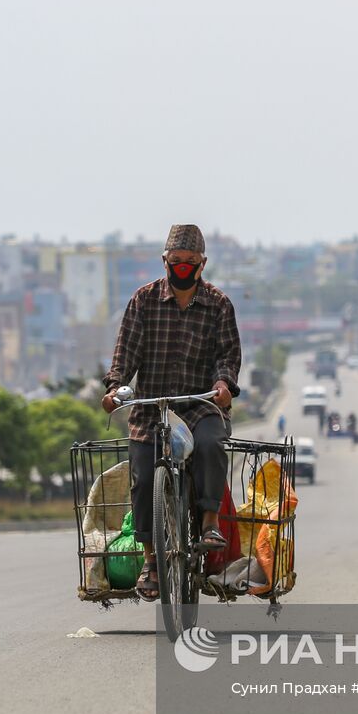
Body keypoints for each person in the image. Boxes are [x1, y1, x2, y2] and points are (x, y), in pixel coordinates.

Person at [101, 224, 241, 601]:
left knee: (211, 444)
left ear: (202, 264)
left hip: (200, 406)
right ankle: (151, 560)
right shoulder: (143, 301)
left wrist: (224, 384)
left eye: (190, 261)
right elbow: (125, 353)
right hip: (152, 409)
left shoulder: (219, 304)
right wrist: (115, 388)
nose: (182, 267)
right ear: (164, 261)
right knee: (144, 477)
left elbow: (228, 356)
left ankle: (209, 522)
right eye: (176, 260)